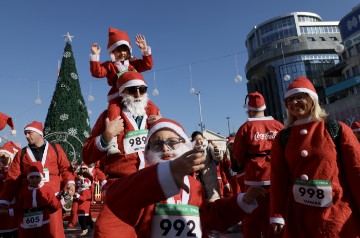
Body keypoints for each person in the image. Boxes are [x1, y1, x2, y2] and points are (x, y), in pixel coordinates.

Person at [105, 118, 267, 237]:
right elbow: (116, 199)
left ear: (185, 145)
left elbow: (211, 216)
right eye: (157, 144)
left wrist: (243, 200)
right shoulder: (143, 184)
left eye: (172, 142)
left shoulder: (194, 185)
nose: (165, 148)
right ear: (148, 152)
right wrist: (166, 172)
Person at [270, 76, 360, 237]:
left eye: (299, 97)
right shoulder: (282, 138)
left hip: (336, 216)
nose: (294, 103)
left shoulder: (336, 129)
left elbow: (356, 170)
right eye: (289, 100)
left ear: (312, 99)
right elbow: (278, 179)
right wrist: (277, 215)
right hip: (298, 219)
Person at [82, 70, 161, 237]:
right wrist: (106, 136)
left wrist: (162, 128)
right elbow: (86, 155)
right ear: (122, 93)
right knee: (107, 232)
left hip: (150, 185)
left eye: (142, 89)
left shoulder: (154, 117)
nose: (138, 94)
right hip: (121, 187)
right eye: (132, 90)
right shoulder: (108, 117)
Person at [0, 121, 76, 238]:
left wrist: (70, 183)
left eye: (29, 133)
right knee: (29, 234)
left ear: (39, 133)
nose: (26, 136)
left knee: (53, 233)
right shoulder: (22, 153)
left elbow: (66, 168)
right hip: (28, 201)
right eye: (25, 133)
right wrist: (4, 201)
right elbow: (12, 179)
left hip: (52, 199)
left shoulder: (56, 149)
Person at [90, 27, 153, 155]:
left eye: (125, 50)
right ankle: (112, 142)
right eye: (119, 50)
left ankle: (157, 131)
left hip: (135, 94)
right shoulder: (110, 65)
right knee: (113, 112)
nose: (122, 53)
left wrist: (144, 49)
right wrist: (95, 56)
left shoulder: (133, 62)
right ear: (112, 51)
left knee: (151, 107)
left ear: (129, 50)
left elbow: (147, 65)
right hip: (117, 95)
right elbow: (97, 72)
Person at [233, 91, 284, 238]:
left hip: (253, 178)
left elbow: (238, 155)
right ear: (264, 108)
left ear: (248, 109)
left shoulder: (245, 128)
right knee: (276, 216)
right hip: (277, 176)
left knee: (252, 217)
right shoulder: (278, 125)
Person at [14, 162, 63, 238]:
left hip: (43, 221)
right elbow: (19, 207)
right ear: (28, 178)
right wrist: (8, 211)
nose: (34, 180)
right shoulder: (23, 190)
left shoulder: (47, 189)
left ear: (41, 177)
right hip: (27, 223)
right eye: (32, 177)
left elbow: (54, 205)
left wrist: (65, 199)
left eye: (37, 177)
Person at [191, 131, 222, 202]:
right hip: (200, 186)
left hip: (212, 185)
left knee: (214, 204)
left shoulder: (208, 147)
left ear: (203, 139)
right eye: (196, 140)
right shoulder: (192, 152)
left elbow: (218, 158)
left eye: (200, 139)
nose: (199, 141)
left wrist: (216, 150)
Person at [0, 141, 20, 238]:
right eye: (0, 157)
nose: (1, 159)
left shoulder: (17, 170)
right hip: (3, 204)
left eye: (3, 156)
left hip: (15, 204)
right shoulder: (1, 171)